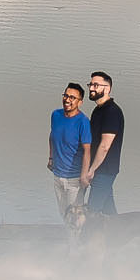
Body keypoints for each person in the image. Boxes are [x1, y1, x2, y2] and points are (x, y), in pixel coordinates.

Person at [47, 81, 92, 225]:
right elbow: (52, 135)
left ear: (80, 102)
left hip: (74, 179)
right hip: (57, 174)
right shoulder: (56, 115)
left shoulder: (83, 122)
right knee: (63, 213)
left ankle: (77, 239)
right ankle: (68, 237)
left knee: (75, 217)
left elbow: (87, 150)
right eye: (66, 95)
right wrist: (51, 157)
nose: (67, 100)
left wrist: (84, 175)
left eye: (72, 97)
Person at [81, 70, 124, 215]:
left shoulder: (112, 112)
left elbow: (105, 145)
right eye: (90, 85)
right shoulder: (98, 110)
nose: (91, 88)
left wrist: (91, 170)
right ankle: (120, 230)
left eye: (96, 85)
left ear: (107, 88)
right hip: (98, 170)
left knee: (92, 212)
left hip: (104, 170)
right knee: (109, 212)